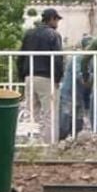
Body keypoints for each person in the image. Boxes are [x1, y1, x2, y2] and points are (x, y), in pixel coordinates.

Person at [19, 8, 64, 143]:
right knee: (50, 113)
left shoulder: (29, 34)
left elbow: (20, 57)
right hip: (46, 77)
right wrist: (57, 78)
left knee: (31, 112)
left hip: (29, 76)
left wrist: (22, 76)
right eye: (57, 19)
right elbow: (57, 59)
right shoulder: (53, 35)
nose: (57, 23)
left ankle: (30, 142)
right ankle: (50, 144)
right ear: (51, 19)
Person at [58, 34, 92, 139]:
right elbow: (80, 76)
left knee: (78, 119)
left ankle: (74, 141)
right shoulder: (78, 58)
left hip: (78, 94)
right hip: (70, 92)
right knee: (66, 117)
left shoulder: (86, 59)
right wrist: (93, 79)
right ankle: (62, 140)